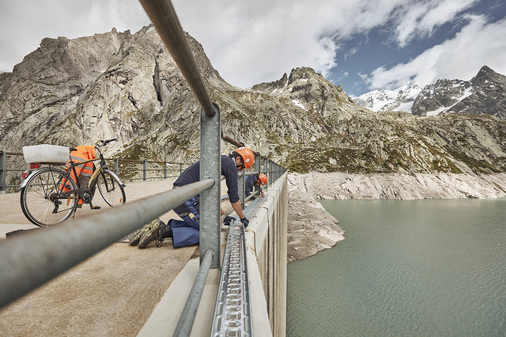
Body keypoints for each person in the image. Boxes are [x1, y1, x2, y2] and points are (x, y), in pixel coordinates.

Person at [129, 147, 255, 249]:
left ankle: (160, 227)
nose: (240, 171)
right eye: (242, 167)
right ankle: (162, 231)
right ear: (238, 160)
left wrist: (223, 216)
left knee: (207, 223)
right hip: (186, 198)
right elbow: (234, 197)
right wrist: (242, 218)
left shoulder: (222, 160)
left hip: (186, 195)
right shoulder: (230, 166)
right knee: (210, 233)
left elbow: (210, 195)